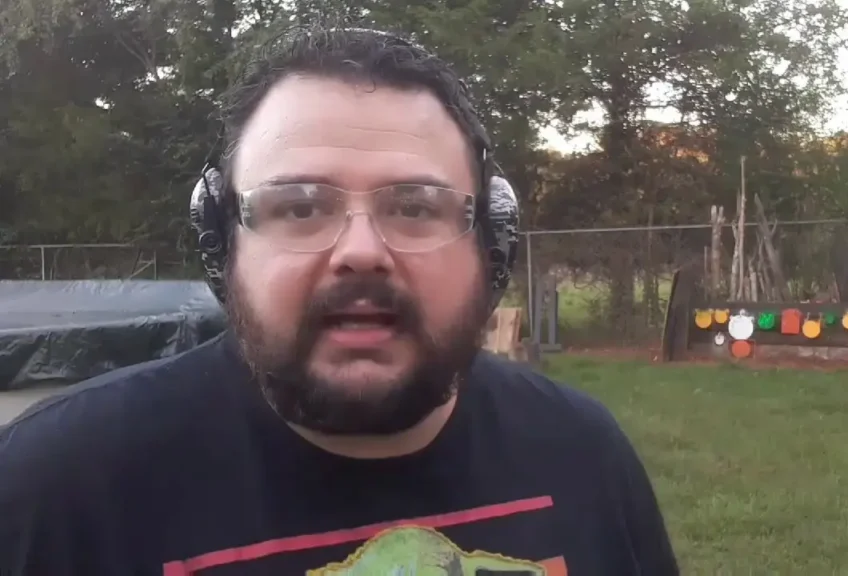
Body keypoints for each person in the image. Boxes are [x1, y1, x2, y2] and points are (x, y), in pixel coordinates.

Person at [0, 25, 679, 576]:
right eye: (299, 206)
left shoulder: (584, 454)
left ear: (492, 243)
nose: (362, 251)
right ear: (221, 240)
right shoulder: (52, 494)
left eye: (415, 206)